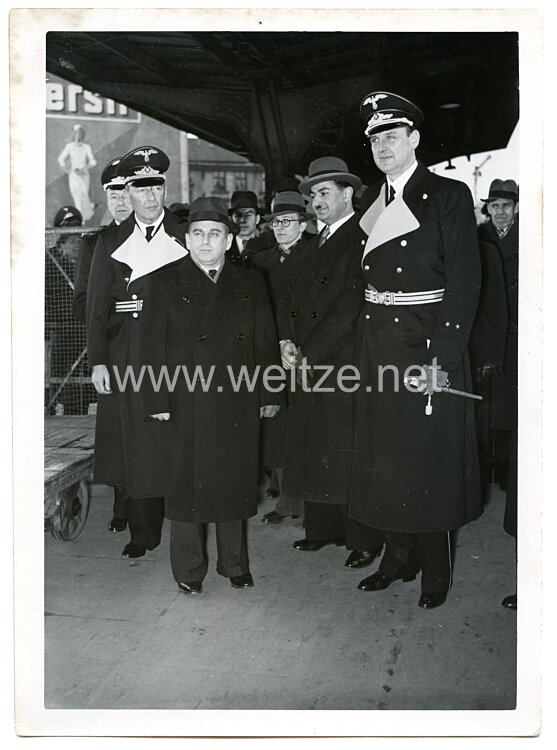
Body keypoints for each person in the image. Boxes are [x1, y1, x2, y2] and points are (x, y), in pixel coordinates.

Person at [350, 91, 483, 609]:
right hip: (378, 344)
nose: (383, 146)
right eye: (375, 138)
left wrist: (441, 360)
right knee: (386, 456)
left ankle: (434, 571)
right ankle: (396, 558)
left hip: (427, 341)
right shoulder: (370, 203)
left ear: (414, 140)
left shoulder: (447, 195)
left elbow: (465, 284)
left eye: (392, 136)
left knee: (429, 461)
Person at [136, 197, 283, 594]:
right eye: (198, 234)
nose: (206, 242)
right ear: (186, 239)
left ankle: (234, 564)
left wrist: (270, 390)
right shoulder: (163, 282)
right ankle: (188, 569)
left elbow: (265, 341)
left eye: (214, 234)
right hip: (185, 400)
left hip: (236, 398)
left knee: (233, 482)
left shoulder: (249, 282)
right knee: (186, 485)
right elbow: (148, 349)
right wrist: (157, 402)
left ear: (228, 239)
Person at [277, 157, 384, 570]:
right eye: (311, 195)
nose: (315, 201)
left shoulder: (362, 239)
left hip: (344, 361)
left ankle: (363, 539)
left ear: (347, 194)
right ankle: (322, 529)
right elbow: (288, 298)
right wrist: (286, 339)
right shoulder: (311, 244)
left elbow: (349, 307)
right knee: (314, 444)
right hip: (308, 360)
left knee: (347, 451)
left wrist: (308, 354)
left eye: (323, 193)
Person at [86, 145, 187, 558]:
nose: (148, 197)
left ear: (165, 189)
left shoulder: (186, 233)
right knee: (139, 445)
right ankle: (143, 534)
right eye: (139, 188)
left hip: (179, 354)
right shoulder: (111, 241)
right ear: (127, 190)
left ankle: (186, 526)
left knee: (178, 438)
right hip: (127, 353)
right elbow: (96, 306)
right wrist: (97, 362)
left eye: (155, 187)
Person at [73, 156, 133, 534]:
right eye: (114, 193)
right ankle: (123, 508)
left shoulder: (161, 239)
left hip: (156, 353)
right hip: (114, 351)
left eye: (128, 192)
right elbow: (82, 302)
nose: (121, 201)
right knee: (119, 436)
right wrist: (119, 317)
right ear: (106, 198)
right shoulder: (93, 244)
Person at [252, 191, 316, 525]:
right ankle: (286, 502)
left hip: (305, 353)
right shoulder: (261, 261)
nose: (280, 227)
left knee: (305, 426)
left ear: (304, 224)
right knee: (277, 428)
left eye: (287, 221)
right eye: (276, 221)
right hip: (271, 354)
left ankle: (310, 507)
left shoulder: (316, 254)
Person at [475, 179, 519, 610]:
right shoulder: (482, 239)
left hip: (522, 339)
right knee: (491, 409)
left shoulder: (532, 237)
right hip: (495, 338)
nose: (501, 213)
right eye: (496, 207)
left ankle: (507, 474)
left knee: (513, 413)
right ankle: (493, 471)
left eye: (507, 206)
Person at [57, 124, 97, 222]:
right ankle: (80, 220)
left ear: (82, 134)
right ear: (73, 134)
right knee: (77, 198)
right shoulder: (69, 146)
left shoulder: (87, 147)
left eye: (80, 133)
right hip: (74, 176)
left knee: (84, 196)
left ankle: (88, 208)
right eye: (76, 133)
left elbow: (93, 161)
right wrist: (66, 169)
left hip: (84, 175)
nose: (78, 135)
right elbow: (61, 159)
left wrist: (84, 168)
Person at [227, 190, 273, 267]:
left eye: (248, 215)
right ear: (231, 219)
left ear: (257, 219)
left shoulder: (268, 249)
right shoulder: (223, 249)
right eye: (238, 215)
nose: (242, 220)